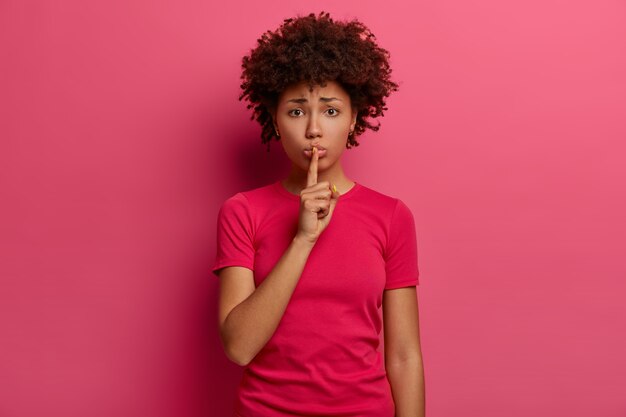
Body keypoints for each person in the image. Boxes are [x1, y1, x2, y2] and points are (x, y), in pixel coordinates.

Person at [212, 11, 425, 417]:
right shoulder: (242, 212)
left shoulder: (392, 216)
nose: (313, 128)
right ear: (275, 121)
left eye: (330, 111)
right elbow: (238, 347)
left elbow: (404, 356)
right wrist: (303, 238)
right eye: (296, 111)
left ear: (354, 119)